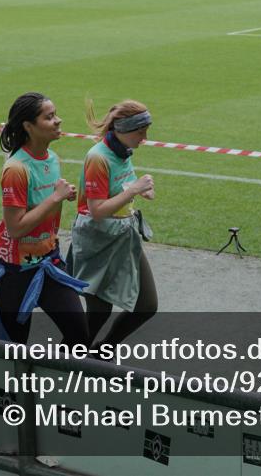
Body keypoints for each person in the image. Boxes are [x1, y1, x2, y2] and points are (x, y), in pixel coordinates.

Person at [0, 92, 88, 346]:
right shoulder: (15, 170)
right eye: (49, 117)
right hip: (15, 272)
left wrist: (60, 197)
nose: (58, 121)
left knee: (79, 334)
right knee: (15, 351)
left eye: (56, 115)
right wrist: (55, 198)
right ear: (29, 126)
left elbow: (47, 210)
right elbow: (16, 228)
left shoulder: (52, 160)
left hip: (48, 262)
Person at [69, 99, 157, 352]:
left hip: (124, 235)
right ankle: (64, 361)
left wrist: (141, 190)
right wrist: (134, 190)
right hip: (98, 240)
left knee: (147, 306)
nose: (145, 138)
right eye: (141, 132)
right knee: (98, 312)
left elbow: (121, 187)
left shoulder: (122, 150)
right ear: (124, 129)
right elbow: (97, 211)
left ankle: (102, 352)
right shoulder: (98, 157)